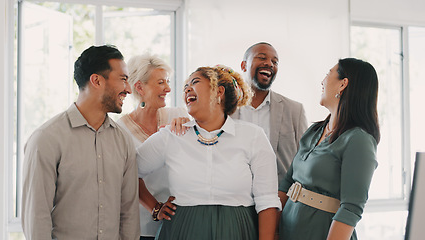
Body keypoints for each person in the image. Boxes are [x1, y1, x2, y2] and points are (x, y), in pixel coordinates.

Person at [137, 65, 282, 240]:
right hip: (181, 231)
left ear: (219, 91)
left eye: (195, 82)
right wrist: (155, 208)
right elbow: (128, 172)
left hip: (238, 231)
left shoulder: (253, 136)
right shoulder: (171, 135)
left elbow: (267, 200)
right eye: (185, 87)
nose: (187, 89)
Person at [21, 45, 140, 240]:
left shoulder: (123, 140)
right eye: (123, 79)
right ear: (97, 80)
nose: (128, 88)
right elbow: (36, 216)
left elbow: (128, 213)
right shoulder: (46, 139)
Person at [278, 58, 380, 240]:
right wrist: (272, 232)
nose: (322, 81)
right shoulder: (314, 131)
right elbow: (286, 184)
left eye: (328, 74)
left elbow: (351, 208)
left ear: (343, 84)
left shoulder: (358, 140)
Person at [116, 53, 188, 240]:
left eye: (168, 81)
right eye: (161, 83)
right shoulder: (119, 130)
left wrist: (190, 127)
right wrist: (156, 208)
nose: (168, 88)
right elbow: (127, 176)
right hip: (141, 228)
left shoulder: (179, 116)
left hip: (179, 223)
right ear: (140, 87)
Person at [232, 42, 308, 183]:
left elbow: (305, 160)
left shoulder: (294, 111)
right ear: (243, 65)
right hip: (235, 197)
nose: (269, 64)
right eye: (262, 58)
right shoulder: (224, 108)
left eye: (275, 61)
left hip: (279, 199)